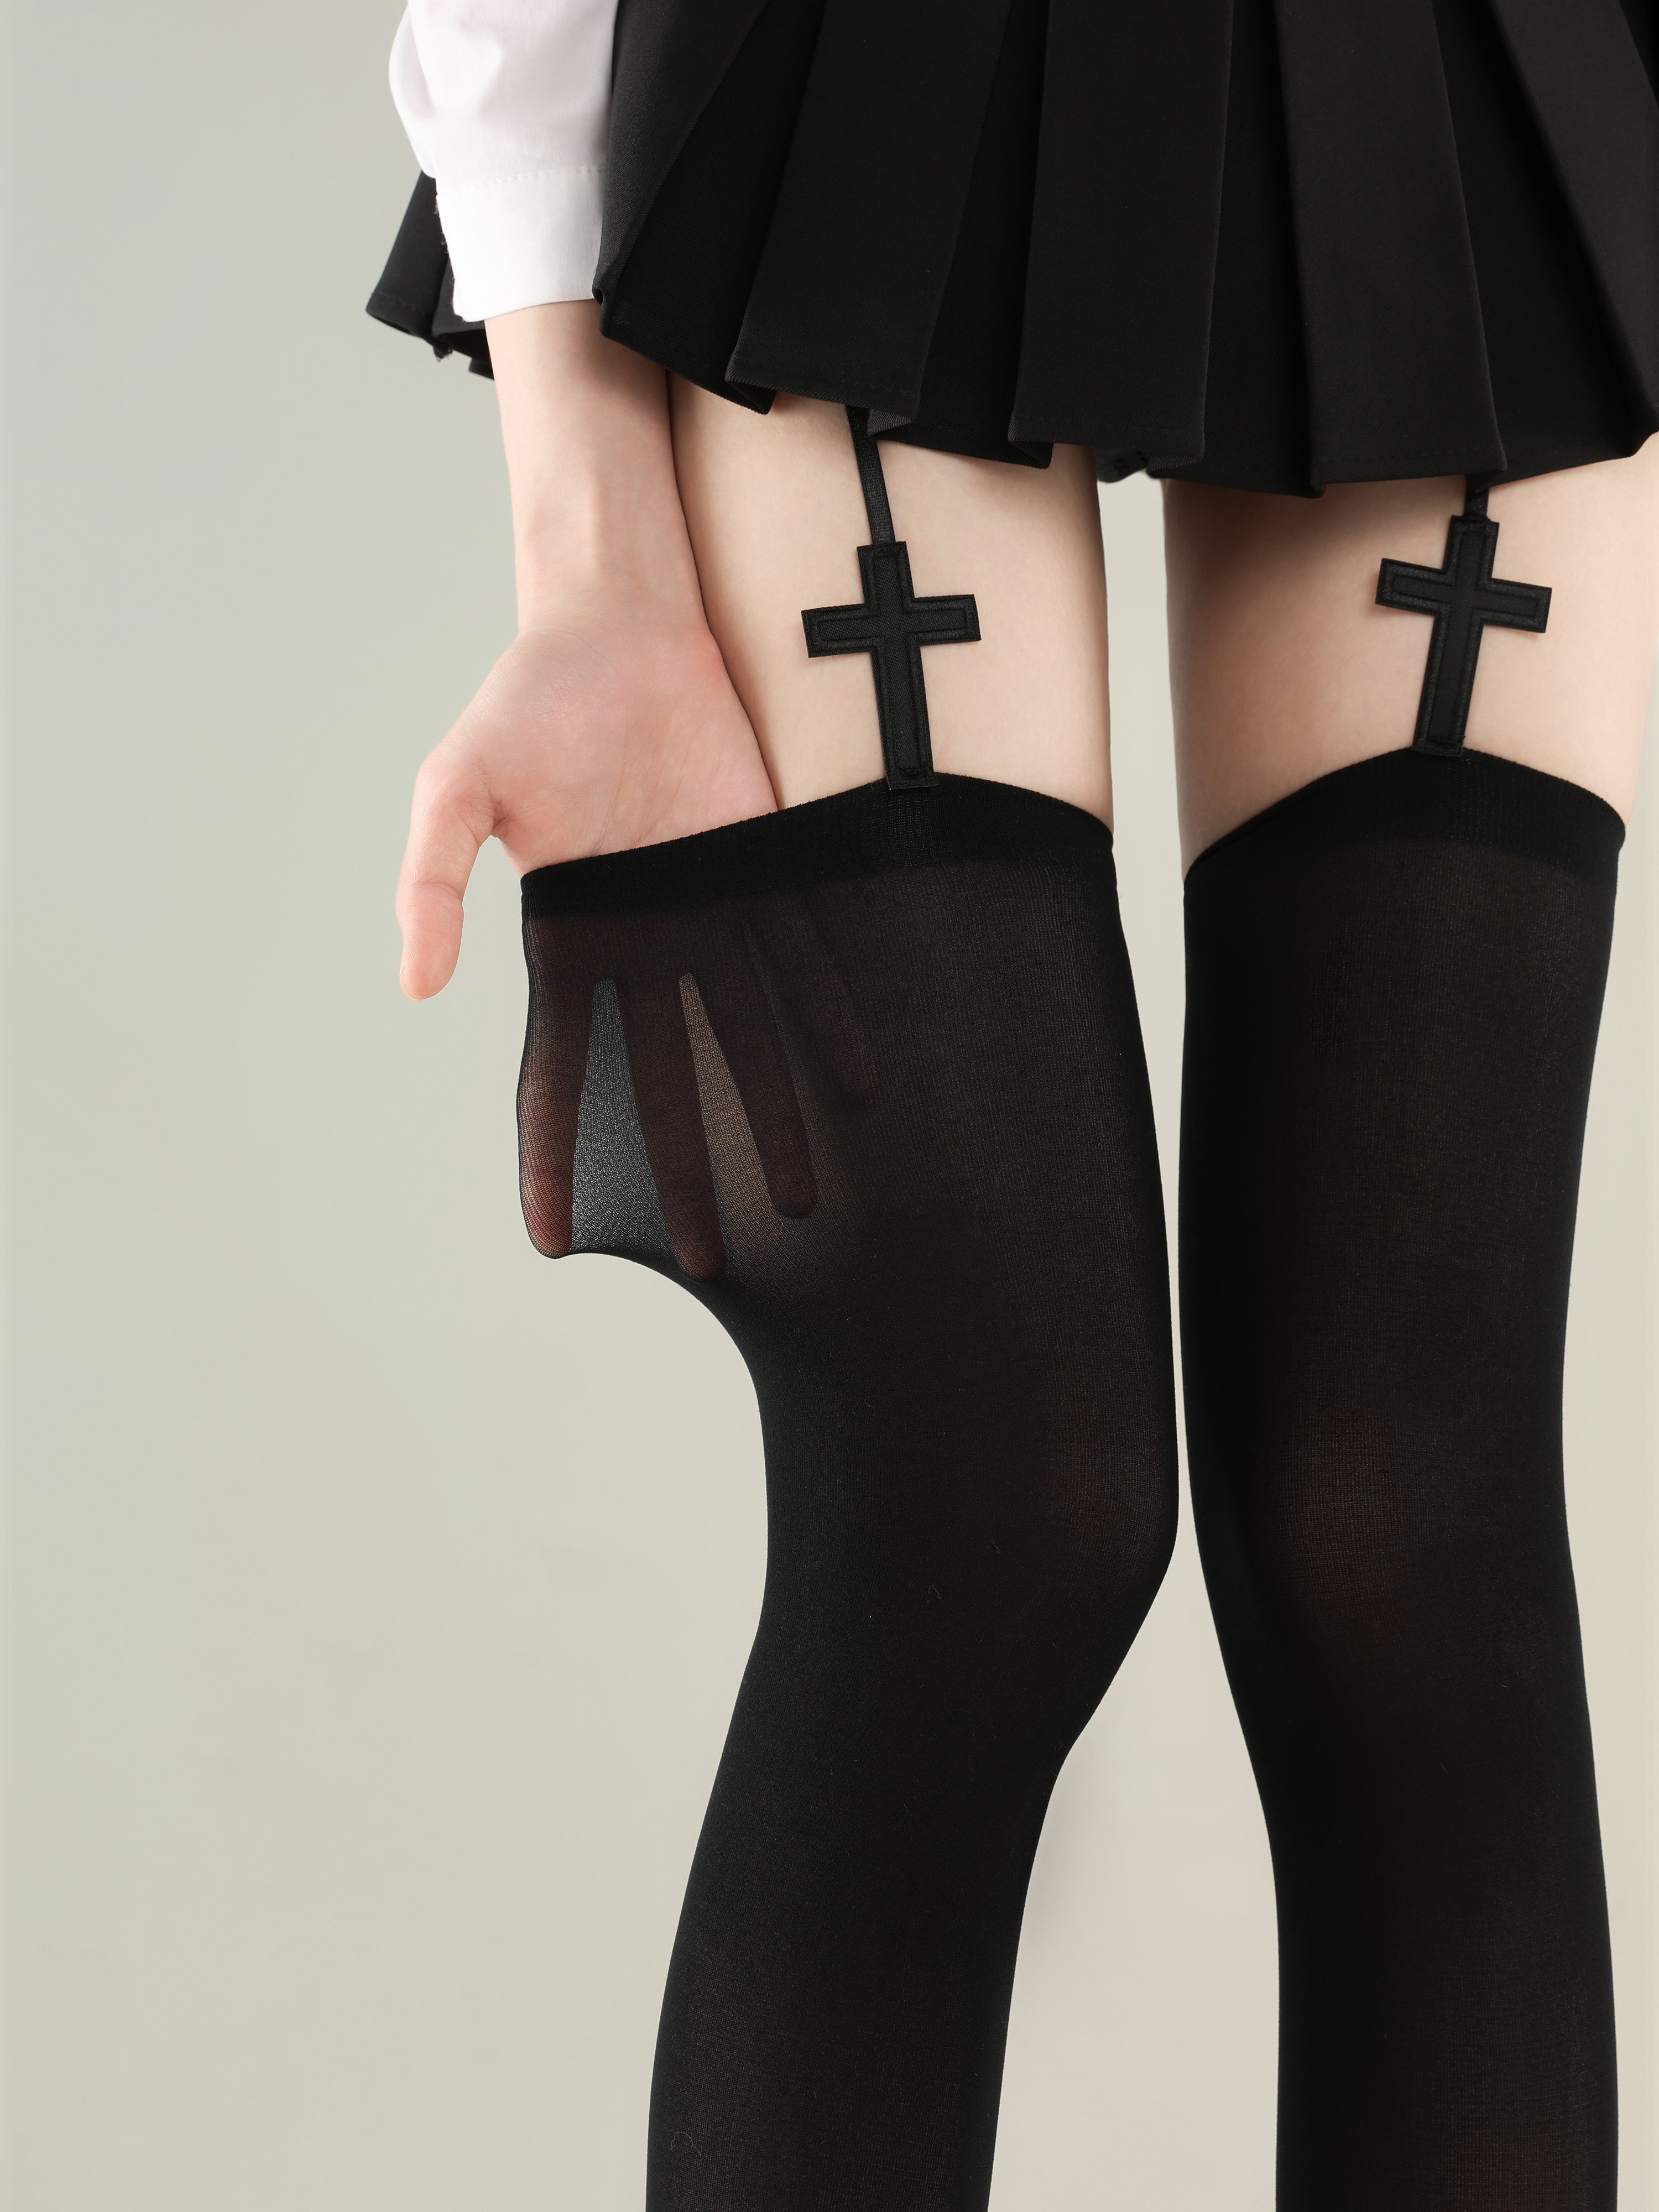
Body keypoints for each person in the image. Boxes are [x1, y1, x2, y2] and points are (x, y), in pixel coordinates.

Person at [368, 2, 1659, 2203]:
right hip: (866, 69)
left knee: (1400, 1535)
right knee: (984, 1507)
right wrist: (588, 555)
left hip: (1452, 67)